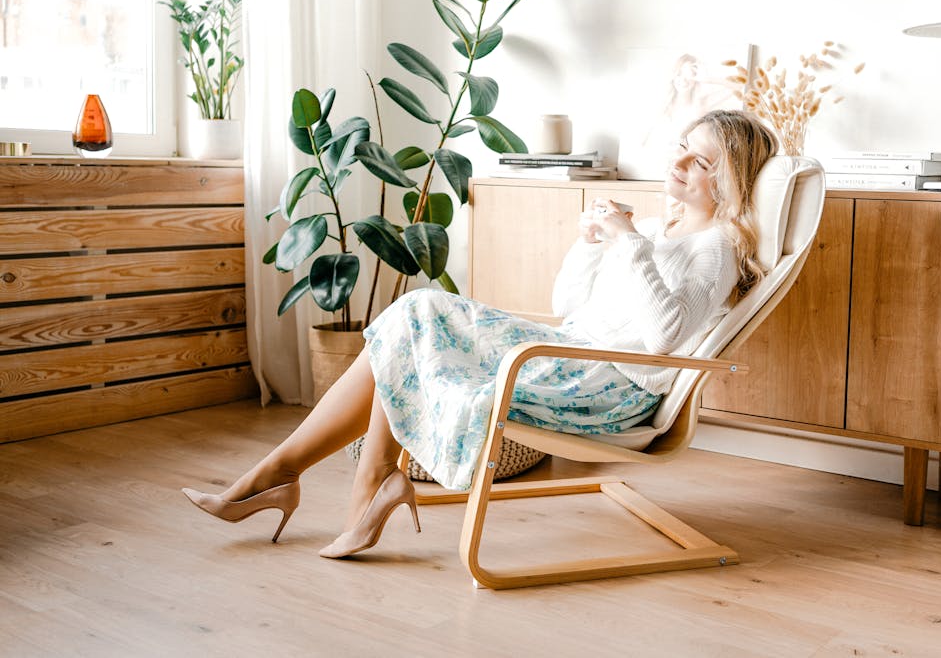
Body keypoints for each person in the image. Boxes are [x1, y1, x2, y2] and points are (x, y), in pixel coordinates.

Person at [182, 109, 779, 559]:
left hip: (605, 386)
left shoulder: (718, 248)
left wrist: (628, 243)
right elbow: (568, 305)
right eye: (681, 148)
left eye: (700, 161)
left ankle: (295, 481)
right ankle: (320, 480)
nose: (677, 164)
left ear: (730, 183)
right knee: (414, 318)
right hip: (568, 351)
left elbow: (664, 336)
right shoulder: (653, 230)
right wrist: (591, 242)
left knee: (417, 318)